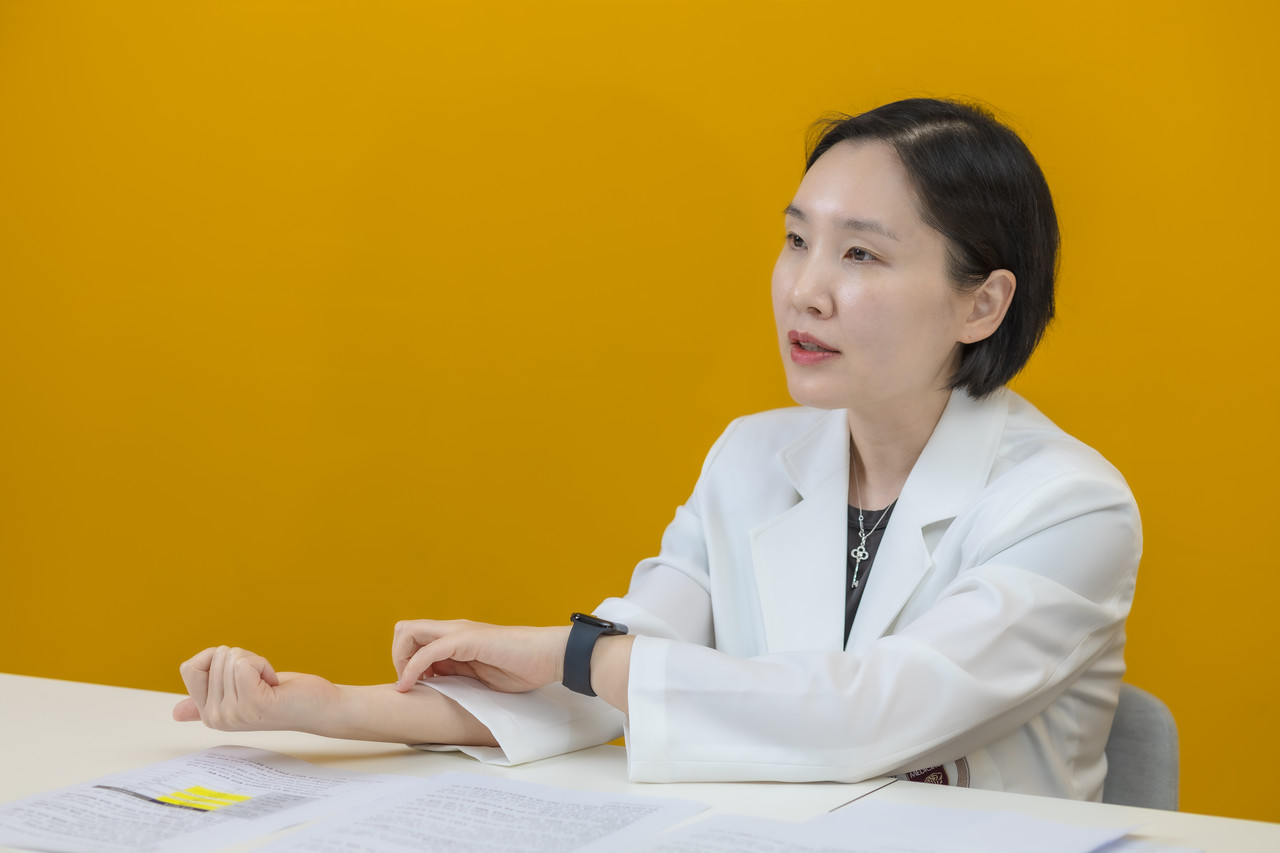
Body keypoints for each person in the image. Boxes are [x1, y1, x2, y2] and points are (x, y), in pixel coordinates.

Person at [173, 98, 1140, 802]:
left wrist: (579, 652)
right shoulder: (753, 459)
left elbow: (864, 715)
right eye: (795, 240)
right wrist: (323, 707)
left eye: (860, 254)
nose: (804, 290)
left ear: (984, 303)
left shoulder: (1068, 506)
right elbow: (611, 689)